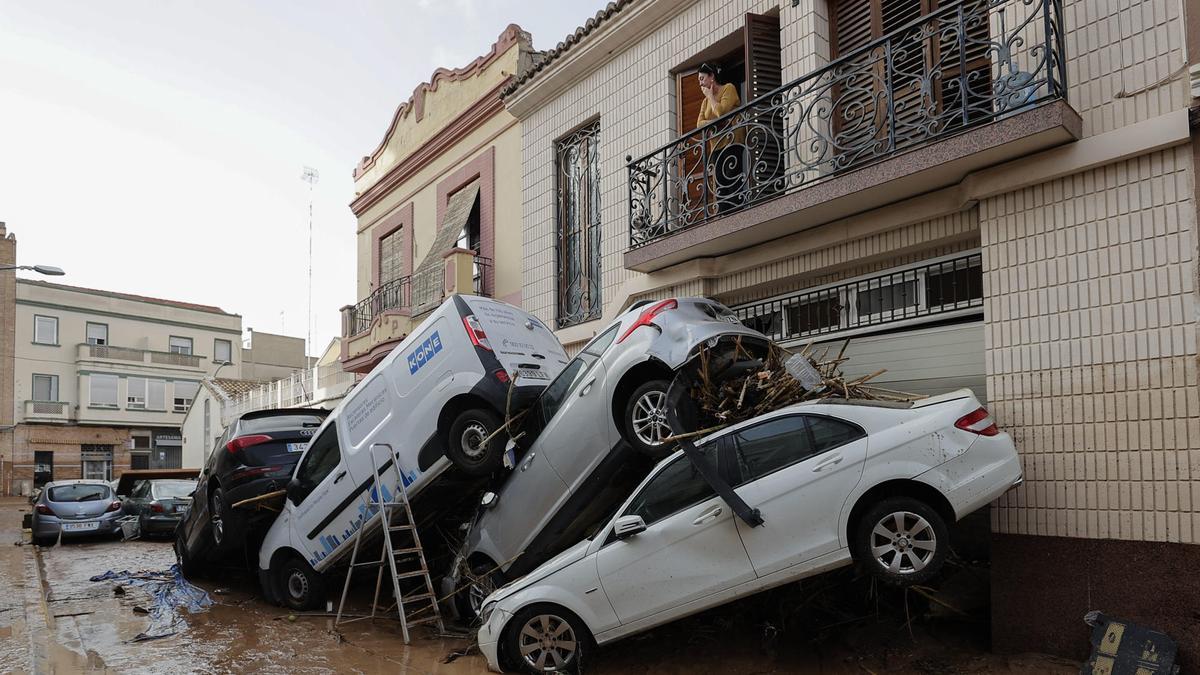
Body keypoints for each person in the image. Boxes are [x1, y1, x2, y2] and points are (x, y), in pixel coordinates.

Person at [696, 63, 744, 214]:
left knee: (731, 175)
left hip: (732, 139)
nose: (700, 83)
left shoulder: (728, 88)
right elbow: (699, 124)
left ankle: (737, 212)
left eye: (702, 78)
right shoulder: (704, 102)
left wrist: (711, 96)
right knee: (719, 181)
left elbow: (721, 112)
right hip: (716, 144)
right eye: (699, 80)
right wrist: (715, 122)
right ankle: (724, 216)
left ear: (712, 77)